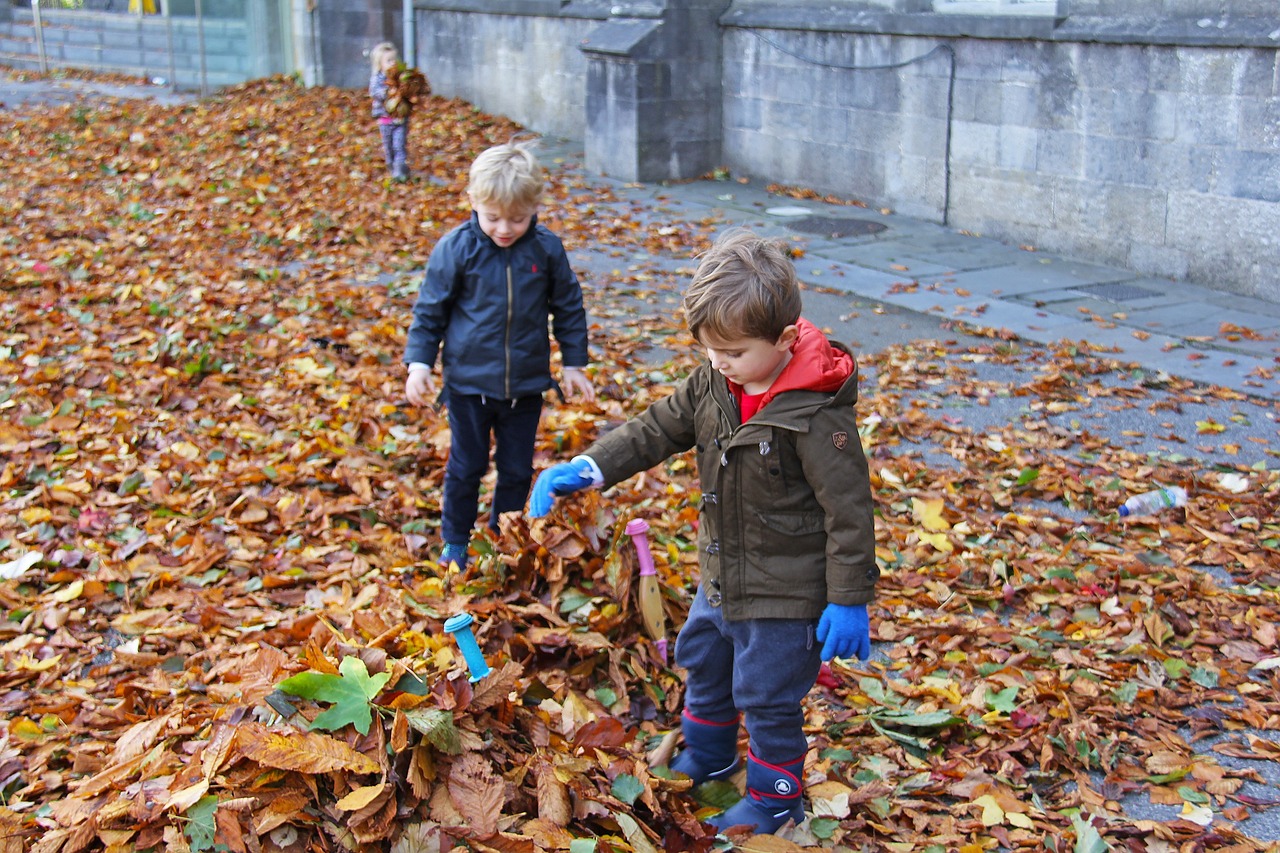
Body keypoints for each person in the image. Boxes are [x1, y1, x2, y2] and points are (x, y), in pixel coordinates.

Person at [528, 230, 877, 835]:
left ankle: (776, 798)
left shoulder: (817, 418)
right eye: (710, 349)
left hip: (785, 590)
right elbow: (657, 428)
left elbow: (850, 513)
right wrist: (592, 466)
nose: (719, 363)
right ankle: (710, 752)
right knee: (705, 661)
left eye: (735, 352)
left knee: (767, 694)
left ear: (787, 340)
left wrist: (848, 599)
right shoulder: (716, 381)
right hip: (722, 574)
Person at [404, 140, 594, 569]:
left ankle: (502, 534)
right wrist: (419, 363)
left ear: (535, 208)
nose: (505, 228)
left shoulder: (545, 250)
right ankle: (455, 540)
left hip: (525, 386)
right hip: (469, 386)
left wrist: (574, 362)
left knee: (515, 469)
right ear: (474, 202)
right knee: (465, 467)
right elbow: (430, 310)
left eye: (518, 218)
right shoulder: (457, 249)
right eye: (493, 218)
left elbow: (568, 305)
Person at [369, 42, 410, 181]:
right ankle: (391, 165)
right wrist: (388, 92)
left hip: (400, 119)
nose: (393, 63)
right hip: (385, 120)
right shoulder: (378, 79)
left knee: (399, 145)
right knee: (389, 147)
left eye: (394, 59)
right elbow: (375, 92)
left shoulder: (400, 78)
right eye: (388, 60)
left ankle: (400, 169)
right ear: (380, 64)